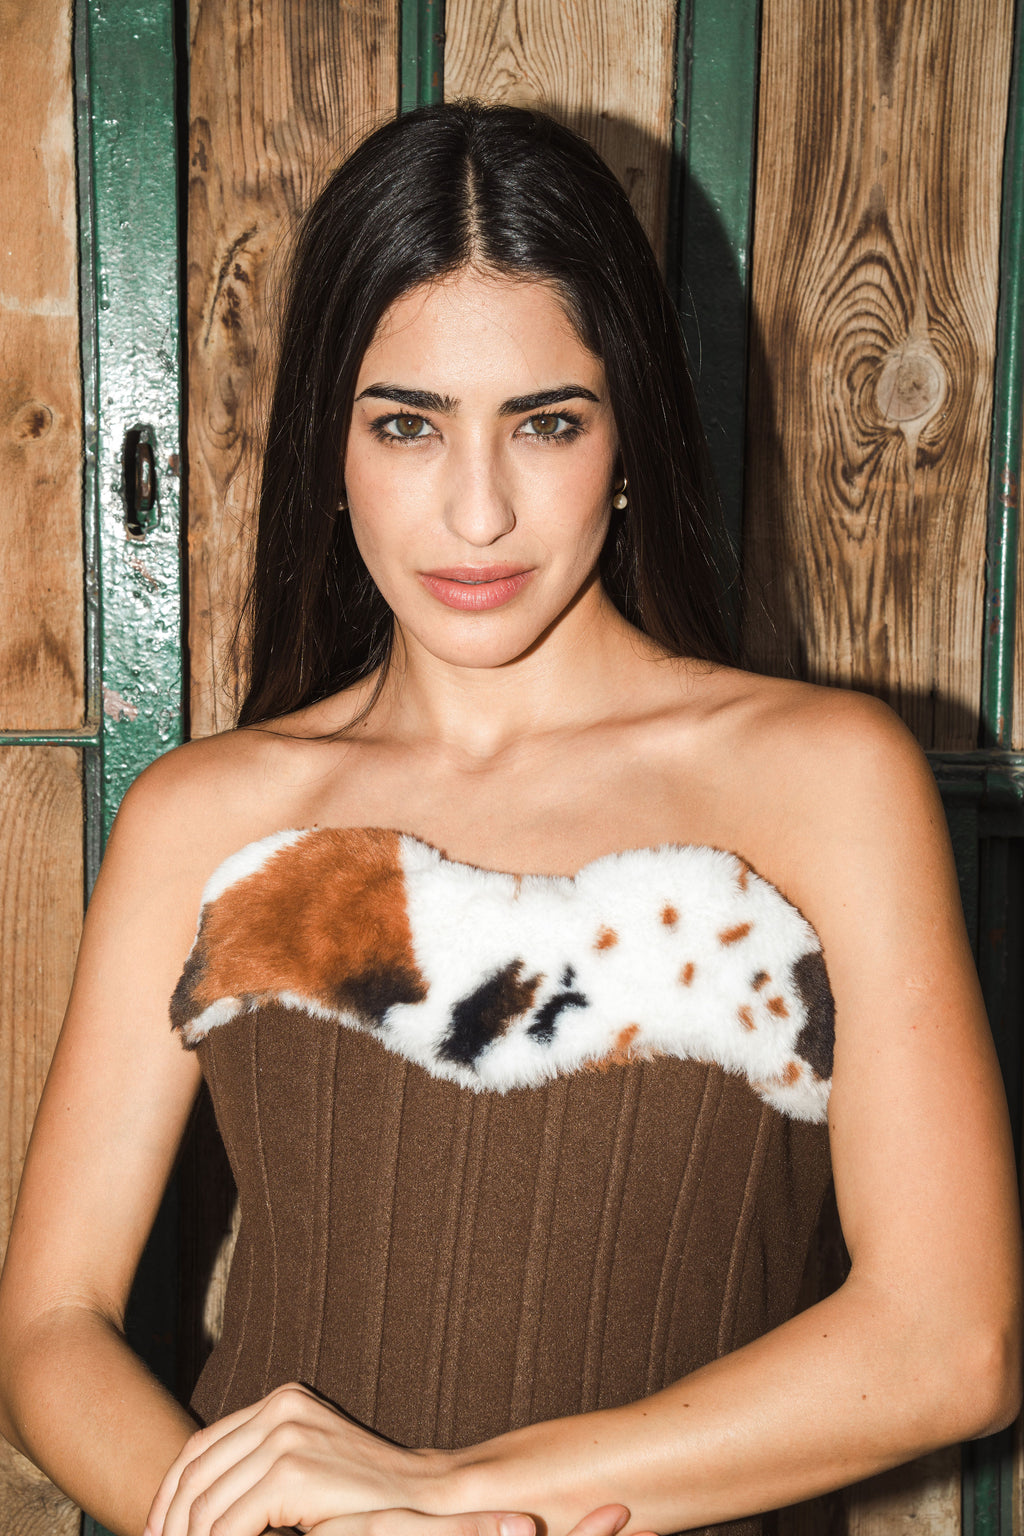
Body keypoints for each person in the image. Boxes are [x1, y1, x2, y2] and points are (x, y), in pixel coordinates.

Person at [0, 100, 1020, 1536]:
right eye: (407, 425)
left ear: (626, 443)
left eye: (545, 422)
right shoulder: (207, 815)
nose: (476, 514)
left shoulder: (823, 779)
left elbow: (949, 1341)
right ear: (329, 448)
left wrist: (448, 1498)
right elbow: (50, 1323)